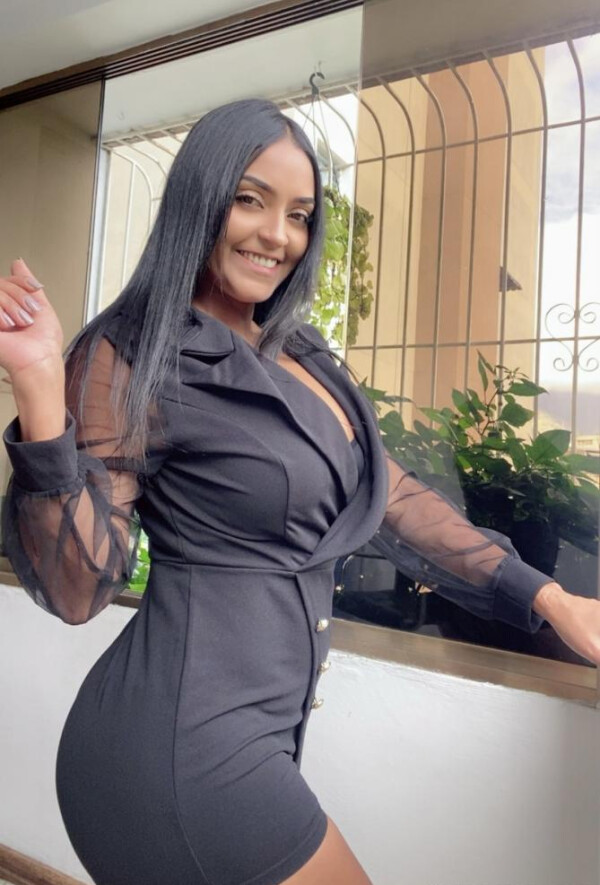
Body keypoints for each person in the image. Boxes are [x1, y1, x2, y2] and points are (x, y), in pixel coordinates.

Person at [0, 98, 598, 885]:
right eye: (250, 200)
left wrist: (547, 596)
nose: (277, 234)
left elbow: (391, 498)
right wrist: (40, 391)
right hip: (177, 750)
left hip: (255, 740)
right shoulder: (133, 351)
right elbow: (78, 586)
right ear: (200, 199)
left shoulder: (303, 353)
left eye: (300, 214)